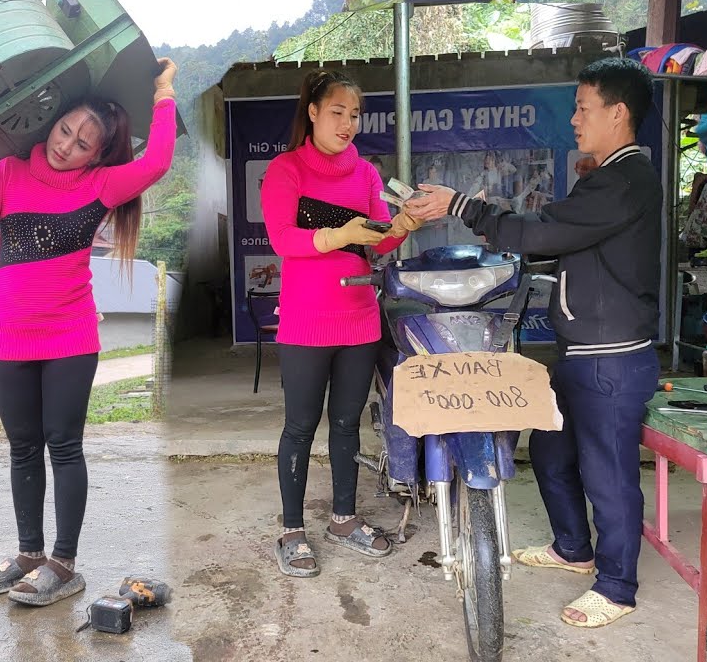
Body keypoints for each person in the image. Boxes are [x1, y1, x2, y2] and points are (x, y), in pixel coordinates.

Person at [0, 58, 178, 607]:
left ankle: (63, 562)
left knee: (64, 446)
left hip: (70, 336)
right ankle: (29, 554)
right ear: (50, 123)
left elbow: (158, 160)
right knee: (22, 448)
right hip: (8, 333)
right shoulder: (8, 173)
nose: (66, 145)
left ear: (97, 155)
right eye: (65, 130)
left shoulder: (101, 185)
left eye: (83, 143)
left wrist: (164, 93)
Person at [406, 57, 660, 628]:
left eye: (582, 107)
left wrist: (462, 207)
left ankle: (617, 586)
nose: (574, 120)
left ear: (617, 114)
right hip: (579, 351)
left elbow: (543, 231)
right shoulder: (604, 179)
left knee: (609, 474)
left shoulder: (626, 181)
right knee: (550, 453)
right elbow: (550, 240)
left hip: (612, 357)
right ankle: (574, 547)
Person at [260, 69, 422, 577]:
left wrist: (402, 226)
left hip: (359, 319)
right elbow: (284, 239)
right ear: (312, 112)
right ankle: (291, 530)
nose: (348, 123)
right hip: (307, 320)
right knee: (301, 427)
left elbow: (377, 240)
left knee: (348, 425)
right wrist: (333, 236)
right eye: (338, 112)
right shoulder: (287, 170)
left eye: (355, 114)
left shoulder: (368, 174)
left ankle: (344, 520)